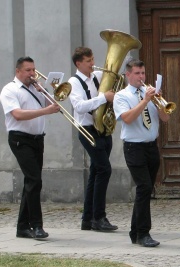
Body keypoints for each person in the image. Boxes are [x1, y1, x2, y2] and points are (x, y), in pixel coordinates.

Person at [0, 56, 61, 239]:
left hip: (37, 139)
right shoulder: (10, 90)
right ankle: (36, 225)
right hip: (20, 139)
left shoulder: (35, 88)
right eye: (28, 70)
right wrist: (44, 111)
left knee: (31, 181)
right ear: (18, 71)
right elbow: (17, 114)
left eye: (33, 70)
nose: (32, 74)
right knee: (35, 180)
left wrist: (50, 91)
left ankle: (22, 227)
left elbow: (53, 105)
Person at [113, 59, 170, 247]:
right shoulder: (121, 96)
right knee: (144, 187)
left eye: (143, 73)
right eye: (137, 73)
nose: (141, 77)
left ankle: (135, 232)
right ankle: (144, 233)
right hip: (134, 147)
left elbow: (166, 117)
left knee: (145, 190)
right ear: (128, 75)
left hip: (151, 146)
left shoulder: (150, 94)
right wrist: (145, 101)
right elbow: (127, 118)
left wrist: (158, 102)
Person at [68, 47, 118, 232]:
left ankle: (87, 219)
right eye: (88, 60)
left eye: (92, 59)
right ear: (78, 63)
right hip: (87, 129)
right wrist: (104, 97)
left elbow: (115, 75)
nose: (92, 63)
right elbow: (80, 107)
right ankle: (99, 217)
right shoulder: (73, 82)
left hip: (103, 128)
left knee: (96, 172)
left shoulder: (97, 76)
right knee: (104, 169)